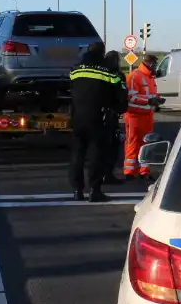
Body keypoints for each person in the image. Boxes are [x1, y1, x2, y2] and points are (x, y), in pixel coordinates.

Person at [68, 42, 126, 202]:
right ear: (102, 53)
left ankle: (77, 191)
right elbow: (121, 99)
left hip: (78, 118)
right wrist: (116, 110)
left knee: (77, 155)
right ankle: (94, 191)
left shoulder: (75, 70)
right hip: (98, 118)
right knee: (96, 155)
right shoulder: (109, 72)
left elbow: (71, 92)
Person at [124, 54, 164, 179]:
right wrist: (150, 100)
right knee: (133, 143)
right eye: (155, 65)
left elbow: (149, 95)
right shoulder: (134, 76)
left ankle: (144, 171)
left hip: (147, 115)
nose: (156, 68)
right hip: (134, 116)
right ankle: (129, 172)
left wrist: (156, 100)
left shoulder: (149, 77)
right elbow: (132, 97)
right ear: (150, 63)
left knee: (147, 143)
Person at [102, 51, 128, 185]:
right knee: (112, 146)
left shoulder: (100, 73)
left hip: (97, 114)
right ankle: (108, 174)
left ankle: (100, 174)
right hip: (111, 115)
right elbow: (122, 94)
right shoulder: (118, 75)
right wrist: (122, 108)